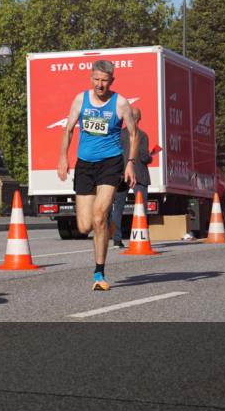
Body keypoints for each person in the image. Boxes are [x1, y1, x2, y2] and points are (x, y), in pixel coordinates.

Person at [56, 60, 138, 291]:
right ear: (91, 78)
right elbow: (68, 129)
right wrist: (63, 157)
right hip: (85, 165)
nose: (100, 85)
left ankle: (99, 272)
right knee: (84, 226)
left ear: (111, 80)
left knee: (99, 215)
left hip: (110, 164)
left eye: (104, 80)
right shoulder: (80, 100)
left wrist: (130, 163)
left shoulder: (120, 103)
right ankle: (111, 225)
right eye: (96, 80)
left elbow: (133, 134)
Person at [109, 107, 157, 249]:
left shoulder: (118, 135)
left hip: (121, 174)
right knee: (141, 207)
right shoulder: (142, 135)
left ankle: (116, 239)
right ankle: (141, 237)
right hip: (139, 174)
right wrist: (151, 156)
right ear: (138, 119)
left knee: (117, 207)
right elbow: (143, 156)